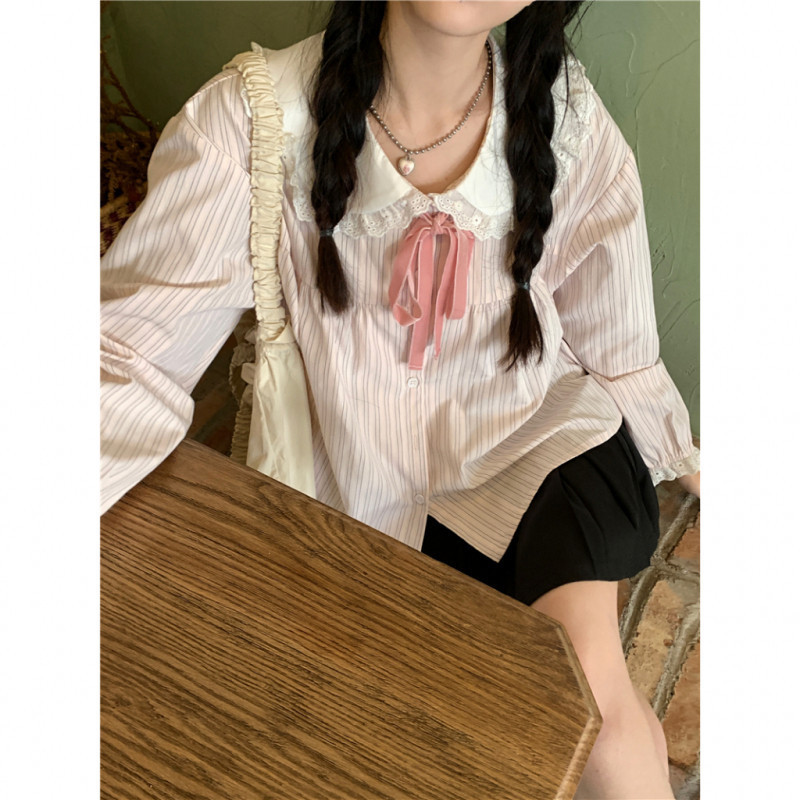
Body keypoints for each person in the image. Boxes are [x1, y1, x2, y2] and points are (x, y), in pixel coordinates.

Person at [101, 2, 699, 797]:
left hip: (534, 443)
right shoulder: (255, 123)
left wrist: (678, 451)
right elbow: (128, 354)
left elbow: (610, 329)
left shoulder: (567, 116)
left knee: (591, 705)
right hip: (361, 490)